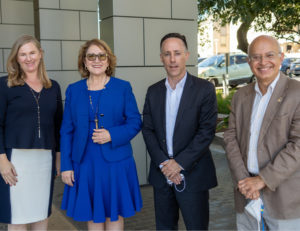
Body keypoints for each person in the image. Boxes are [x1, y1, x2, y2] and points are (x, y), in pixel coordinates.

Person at [60, 38, 142, 230]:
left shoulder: (123, 87)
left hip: (116, 163)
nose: (96, 60)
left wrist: (112, 134)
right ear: (84, 61)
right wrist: (65, 166)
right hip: (85, 163)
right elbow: (66, 131)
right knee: (93, 216)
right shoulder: (74, 90)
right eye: (91, 56)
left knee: (114, 215)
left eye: (101, 55)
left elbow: (135, 122)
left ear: (108, 60)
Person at [142, 32, 218, 230]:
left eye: (177, 53)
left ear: (187, 55)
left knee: (196, 227)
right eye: (167, 54)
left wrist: (179, 164)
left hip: (194, 174)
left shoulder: (204, 89)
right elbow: (148, 130)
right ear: (161, 58)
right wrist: (165, 164)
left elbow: (206, 131)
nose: (172, 59)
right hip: (162, 175)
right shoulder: (153, 91)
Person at [224, 35, 300, 230]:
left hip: (284, 199)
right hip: (247, 195)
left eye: (269, 55)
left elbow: (297, 146)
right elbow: (230, 138)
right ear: (249, 62)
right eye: (256, 57)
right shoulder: (241, 95)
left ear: (281, 58)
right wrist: (245, 182)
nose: (263, 62)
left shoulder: (296, 93)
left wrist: (262, 180)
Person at [0, 35, 63, 230]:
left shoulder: (53, 87)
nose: (28, 58)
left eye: (32, 53)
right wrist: (2, 160)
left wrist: (59, 158)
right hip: (15, 161)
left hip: (45, 161)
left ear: (41, 54)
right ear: (16, 59)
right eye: (23, 54)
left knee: (41, 215)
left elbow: (58, 125)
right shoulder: (5, 85)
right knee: (18, 218)